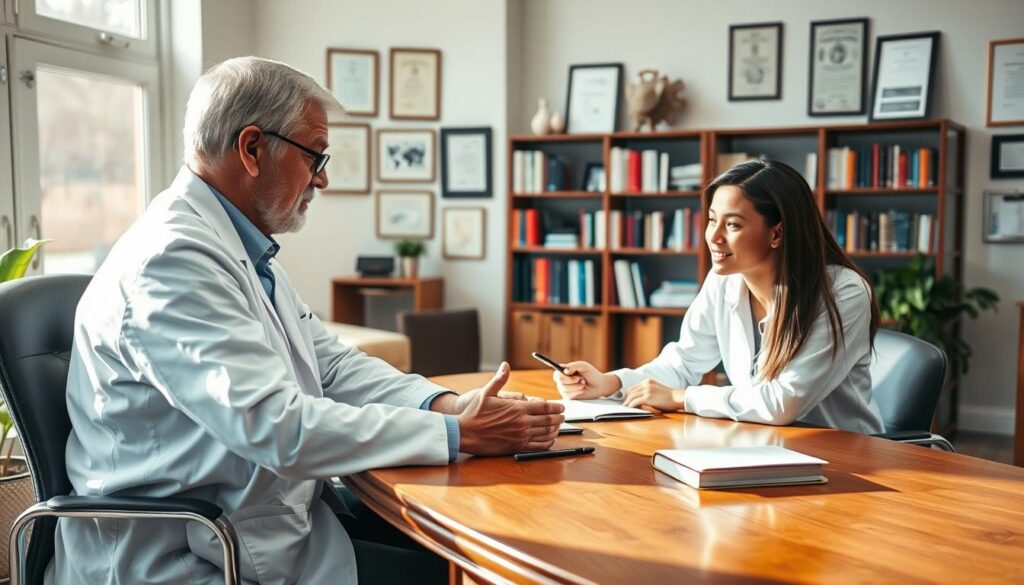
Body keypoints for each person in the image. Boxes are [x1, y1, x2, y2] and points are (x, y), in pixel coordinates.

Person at [49, 56, 564, 585]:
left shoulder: (237, 248)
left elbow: (333, 364)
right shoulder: (172, 260)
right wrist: (457, 434)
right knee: (454, 568)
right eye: (315, 155)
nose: (323, 177)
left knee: (451, 551)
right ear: (251, 149)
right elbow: (277, 426)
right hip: (187, 554)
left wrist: (448, 404)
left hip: (254, 521)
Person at [554, 159, 884, 434]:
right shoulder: (724, 281)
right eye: (712, 219)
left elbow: (782, 402)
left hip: (844, 458)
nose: (714, 236)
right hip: (764, 448)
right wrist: (610, 383)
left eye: (733, 225)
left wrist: (683, 397)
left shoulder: (843, 292)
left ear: (777, 233)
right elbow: (683, 362)